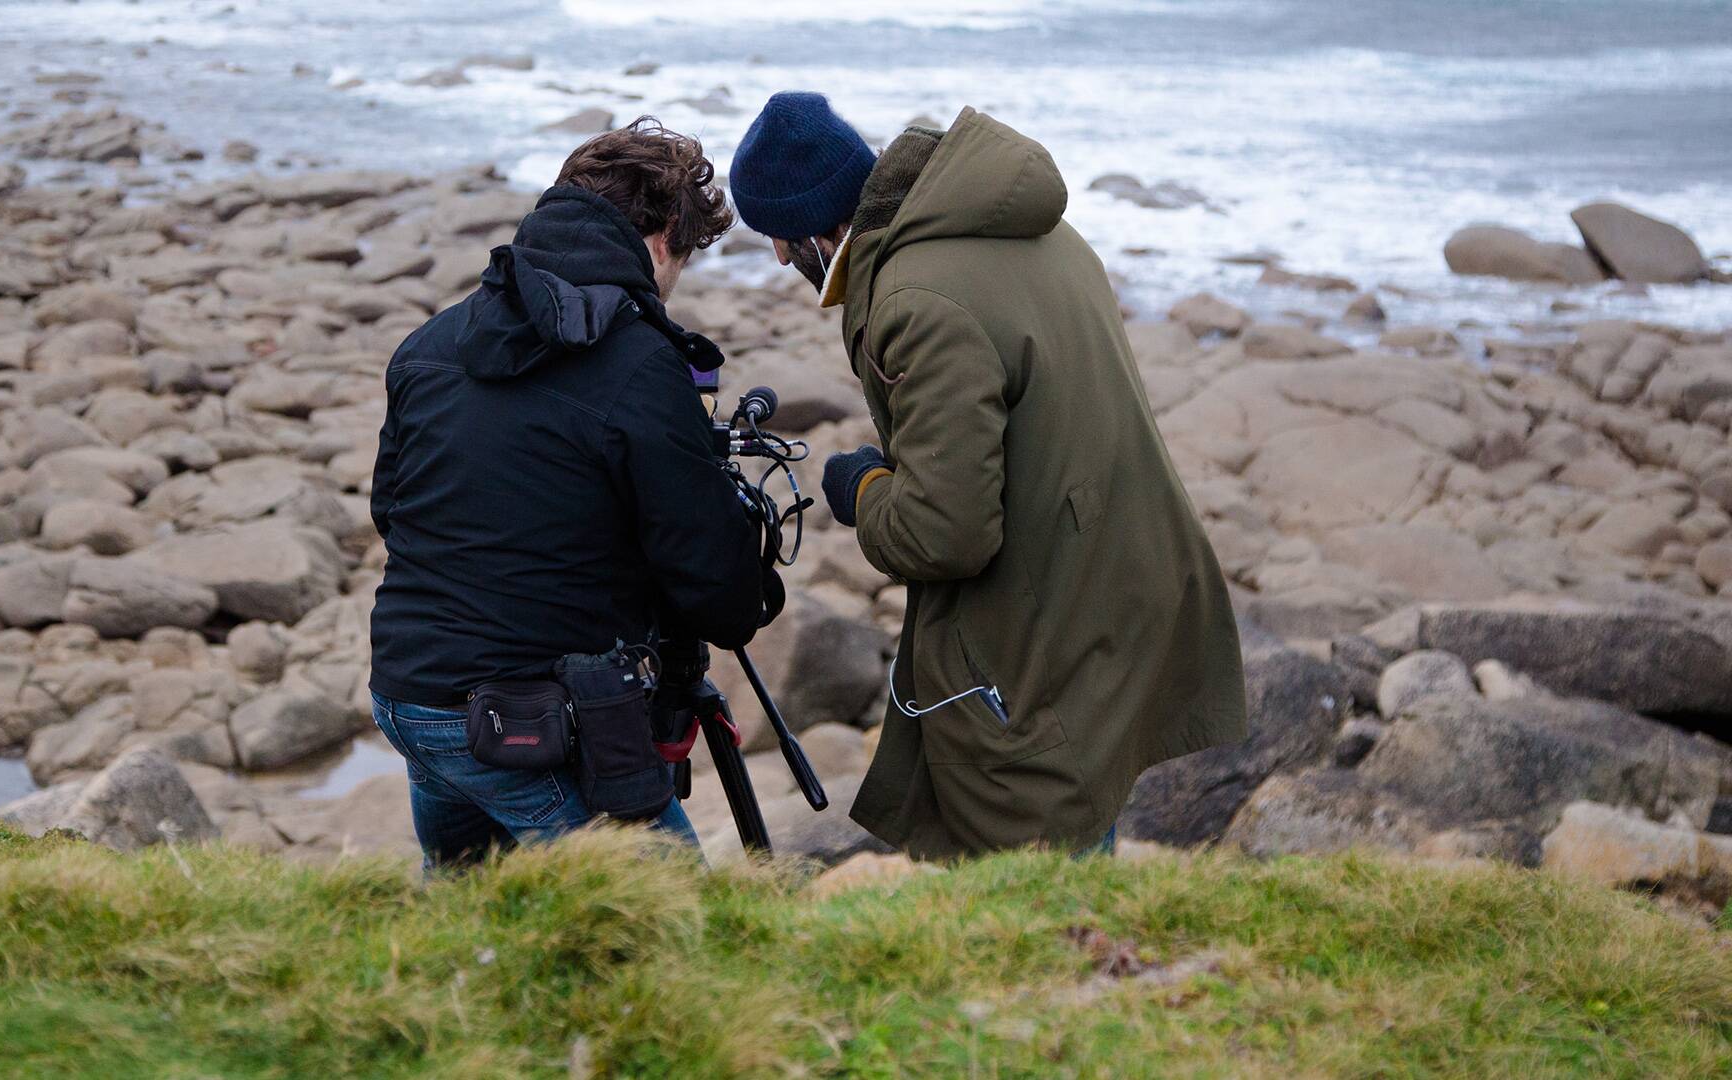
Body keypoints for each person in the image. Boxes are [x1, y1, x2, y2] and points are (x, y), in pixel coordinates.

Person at [729, 93, 1247, 858]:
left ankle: (1068, 972)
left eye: (776, 235)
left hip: (1053, 622)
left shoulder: (914, 300)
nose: (777, 258)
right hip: (1124, 580)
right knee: (1078, 825)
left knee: (1030, 869)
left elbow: (948, 533)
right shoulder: (1028, 228)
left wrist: (862, 489)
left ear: (811, 224)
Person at [369, 118, 770, 869]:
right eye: (683, 258)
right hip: (524, 725)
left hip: (407, 692)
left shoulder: (430, 344)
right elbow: (720, 596)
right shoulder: (641, 365)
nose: (675, 280)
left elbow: (394, 513)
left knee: (474, 918)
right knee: (676, 925)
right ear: (658, 241)